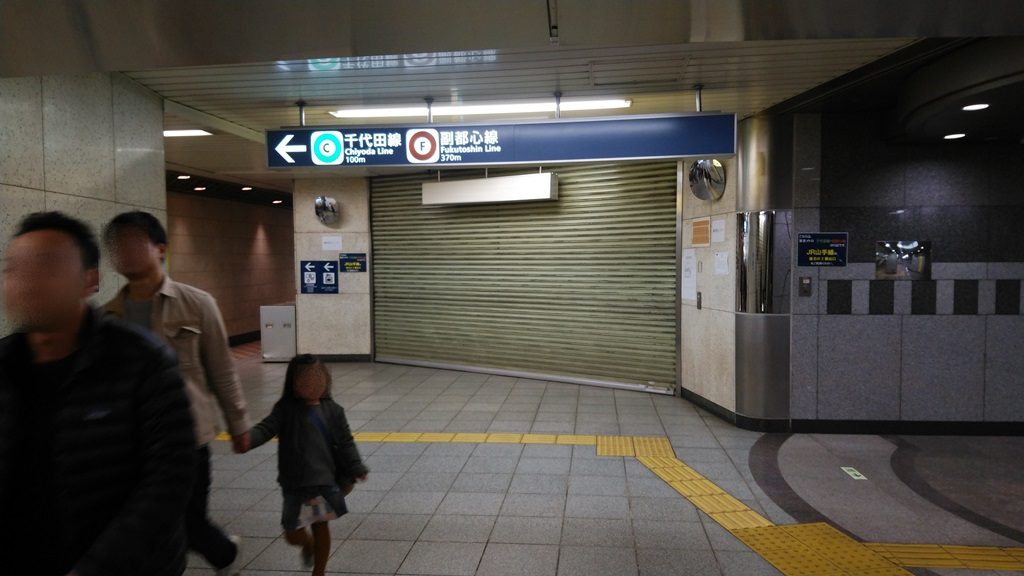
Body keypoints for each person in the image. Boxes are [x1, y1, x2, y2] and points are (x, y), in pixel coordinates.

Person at [0, 211, 196, 575]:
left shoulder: (143, 362)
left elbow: (168, 481)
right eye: (13, 269)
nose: (27, 282)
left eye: (47, 268)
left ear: (89, 280)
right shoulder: (4, 366)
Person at [102, 211, 251, 576]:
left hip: (186, 436)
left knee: (188, 521)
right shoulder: (106, 317)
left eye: (134, 242)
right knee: (149, 524)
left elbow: (221, 368)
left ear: (161, 250)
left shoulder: (197, 303)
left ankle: (223, 553)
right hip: (129, 442)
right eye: (117, 245)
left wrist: (239, 423)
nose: (124, 251)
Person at [247, 354, 368, 576]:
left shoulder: (333, 411)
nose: (313, 384)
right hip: (294, 484)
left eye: (318, 378)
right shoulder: (285, 410)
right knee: (292, 533)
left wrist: (357, 466)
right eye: (306, 379)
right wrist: (248, 439)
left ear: (326, 380)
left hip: (323, 482)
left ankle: (319, 572)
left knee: (321, 525)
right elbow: (265, 428)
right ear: (293, 383)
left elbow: (345, 441)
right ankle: (307, 544)